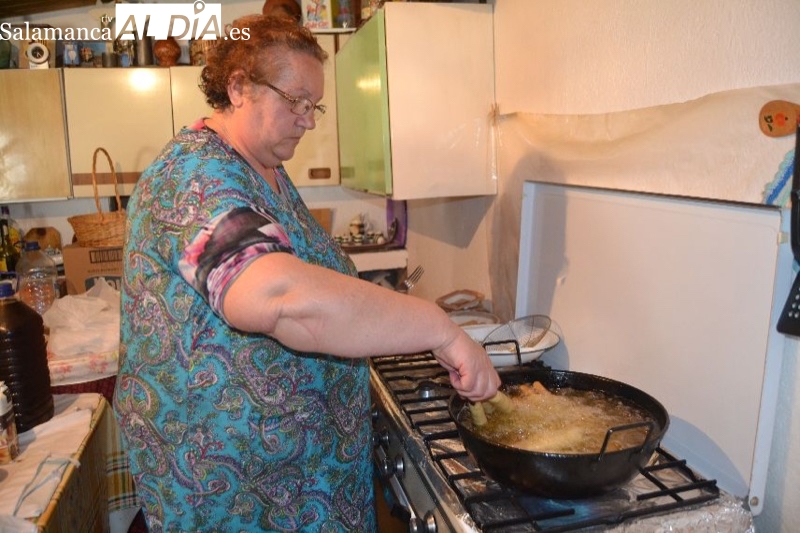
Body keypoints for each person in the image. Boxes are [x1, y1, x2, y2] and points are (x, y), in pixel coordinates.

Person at [114, 14, 500, 533]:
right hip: (238, 492)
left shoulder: (265, 170)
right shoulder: (194, 178)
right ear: (239, 86)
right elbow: (277, 295)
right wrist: (439, 328)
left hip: (302, 477)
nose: (308, 119)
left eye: (313, 106)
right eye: (294, 101)